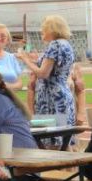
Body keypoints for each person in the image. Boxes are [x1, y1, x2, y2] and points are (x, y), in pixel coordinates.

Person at [17, 15, 76, 149]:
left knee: (51, 141)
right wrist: (27, 57)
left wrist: (25, 60)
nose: (41, 31)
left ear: (52, 29)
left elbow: (43, 73)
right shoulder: (66, 44)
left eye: (44, 28)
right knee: (64, 141)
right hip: (61, 95)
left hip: (51, 99)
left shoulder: (54, 45)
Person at [0, 23, 24, 89]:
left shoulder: (12, 58)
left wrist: (5, 86)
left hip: (10, 96)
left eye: (3, 36)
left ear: (7, 40)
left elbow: (20, 84)